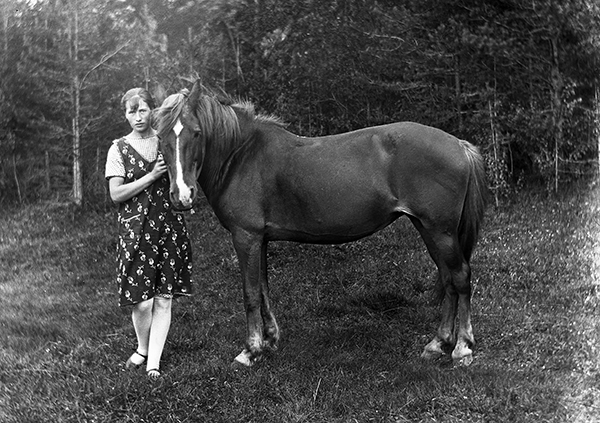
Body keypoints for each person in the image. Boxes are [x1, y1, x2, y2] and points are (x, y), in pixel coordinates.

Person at [105, 87, 193, 380]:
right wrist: (151, 176)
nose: (138, 117)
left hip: (168, 228)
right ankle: (143, 348)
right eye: (132, 111)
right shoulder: (118, 148)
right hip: (134, 231)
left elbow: (183, 172)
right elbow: (116, 194)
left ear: (151, 111)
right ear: (125, 114)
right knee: (142, 301)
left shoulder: (165, 140)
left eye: (143, 110)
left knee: (164, 298)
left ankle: (153, 362)